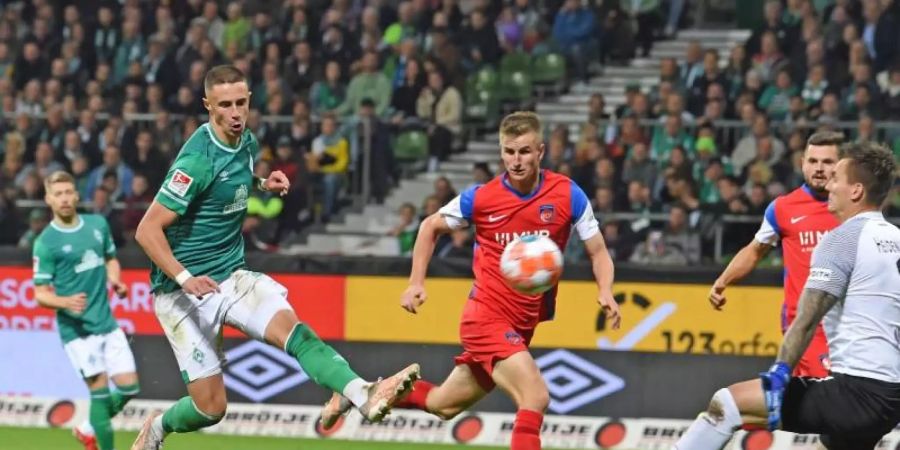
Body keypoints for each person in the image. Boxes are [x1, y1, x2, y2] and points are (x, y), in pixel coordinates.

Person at [130, 65, 419, 450]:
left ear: (249, 101)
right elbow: (146, 230)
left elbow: (232, 177)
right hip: (181, 293)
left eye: (241, 103)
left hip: (231, 276)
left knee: (295, 332)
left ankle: (362, 392)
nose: (235, 113)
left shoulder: (246, 141)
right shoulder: (194, 161)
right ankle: (157, 427)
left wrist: (263, 183)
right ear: (207, 106)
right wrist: (185, 278)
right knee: (211, 409)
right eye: (225, 105)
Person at [319, 112, 622, 450]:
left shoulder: (567, 194)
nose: (516, 161)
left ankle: (356, 393)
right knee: (535, 396)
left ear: (541, 151)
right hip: (486, 319)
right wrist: (416, 282)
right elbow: (429, 226)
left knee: (441, 404)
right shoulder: (481, 198)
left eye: (524, 151)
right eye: (509, 152)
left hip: (522, 325)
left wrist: (606, 290)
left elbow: (598, 252)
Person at [676, 141, 900, 450]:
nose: (829, 185)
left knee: (726, 404)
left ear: (857, 191)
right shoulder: (895, 238)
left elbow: (807, 320)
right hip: (890, 395)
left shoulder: (840, 239)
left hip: (856, 391)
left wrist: (780, 373)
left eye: (837, 177)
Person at [709, 131, 844, 378]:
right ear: (802, 162)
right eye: (813, 161)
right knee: (830, 394)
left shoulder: (853, 207)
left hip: (850, 323)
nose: (819, 169)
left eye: (827, 162)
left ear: (842, 165)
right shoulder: (783, 208)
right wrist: (722, 281)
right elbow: (755, 250)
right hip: (805, 326)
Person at [33, 171, 140, 450]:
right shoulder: (46, 242)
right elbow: (40, 293)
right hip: (78, 331)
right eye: (58, 194)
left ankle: (88, 427)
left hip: (107, 322)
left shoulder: (97, 224)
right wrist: (64, 302)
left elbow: (110, 259)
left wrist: (115, 280)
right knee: (101, 396)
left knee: (130, 387)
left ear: (77, 195)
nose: (65, 198)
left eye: (69, 192)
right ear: (49, 199)